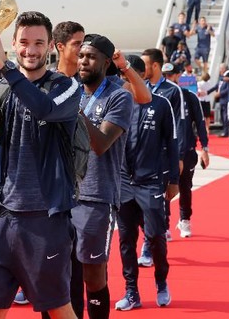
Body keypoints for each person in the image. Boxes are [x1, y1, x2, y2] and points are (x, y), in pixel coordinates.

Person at [0, 11, 80, 318]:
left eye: (38, 43)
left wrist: (5, 66)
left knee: (60, 309)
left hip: (44, 219)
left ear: (50, 47)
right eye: (23, 42)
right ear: (13, 43)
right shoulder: (0, 88)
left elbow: (43, 108)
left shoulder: (66, 88)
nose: (30, 50)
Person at [71, 34, 133, 319]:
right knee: (64, 272)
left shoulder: (119, 96)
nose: (84, 61)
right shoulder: (70, 90)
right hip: (63, 195)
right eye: (81, 55)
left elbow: (101, 144)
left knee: (92, 274)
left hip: (97, 197)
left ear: (106, 62)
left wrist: (76, 110)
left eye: (91, 56)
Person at [114, 55, 180, 311]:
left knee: (155, 237)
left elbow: (172, 144)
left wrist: (173, 179)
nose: (123, 81)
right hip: (123, 184)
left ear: (140, 75)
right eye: (121, 76)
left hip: (150, 182)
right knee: (126, 240)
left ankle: (161, 282)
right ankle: (131, 292)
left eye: (127, 75)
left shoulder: (161, 104)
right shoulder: (116, 104)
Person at [139, 49, 186, 265]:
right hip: (141, 157)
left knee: (156, 203)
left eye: (145, 64)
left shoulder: (173, 91)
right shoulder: (140, 88)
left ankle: (149, 247)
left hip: (164, 157)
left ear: (155, 66)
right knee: (142, 207)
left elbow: (179, 126)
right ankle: (155, 237)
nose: (141, 69)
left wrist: (179, 156)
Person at [163, 65, 210, 238]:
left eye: (171, 75)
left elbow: (200, 123)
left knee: (185, 187)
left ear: (178, 76)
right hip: (166, 152)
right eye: (165, 75)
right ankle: (165, 225)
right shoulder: (160, 96)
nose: (168, 78)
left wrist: (205, 148)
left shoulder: (190, 97)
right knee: (164, 188)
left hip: (188, 151)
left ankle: (184, 220)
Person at [215, 63, 229, 137]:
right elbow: (216, 86)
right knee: (222, 116)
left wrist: (219, 94)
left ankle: (226, 132)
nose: (220, 70)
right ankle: (224, 130)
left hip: (226, 100)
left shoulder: (228, 78)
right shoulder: (221, 78)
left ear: (224, 69)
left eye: (221, 68)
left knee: (225, 117)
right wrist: (207, 92)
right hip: (221, 100)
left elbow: (228, 89)